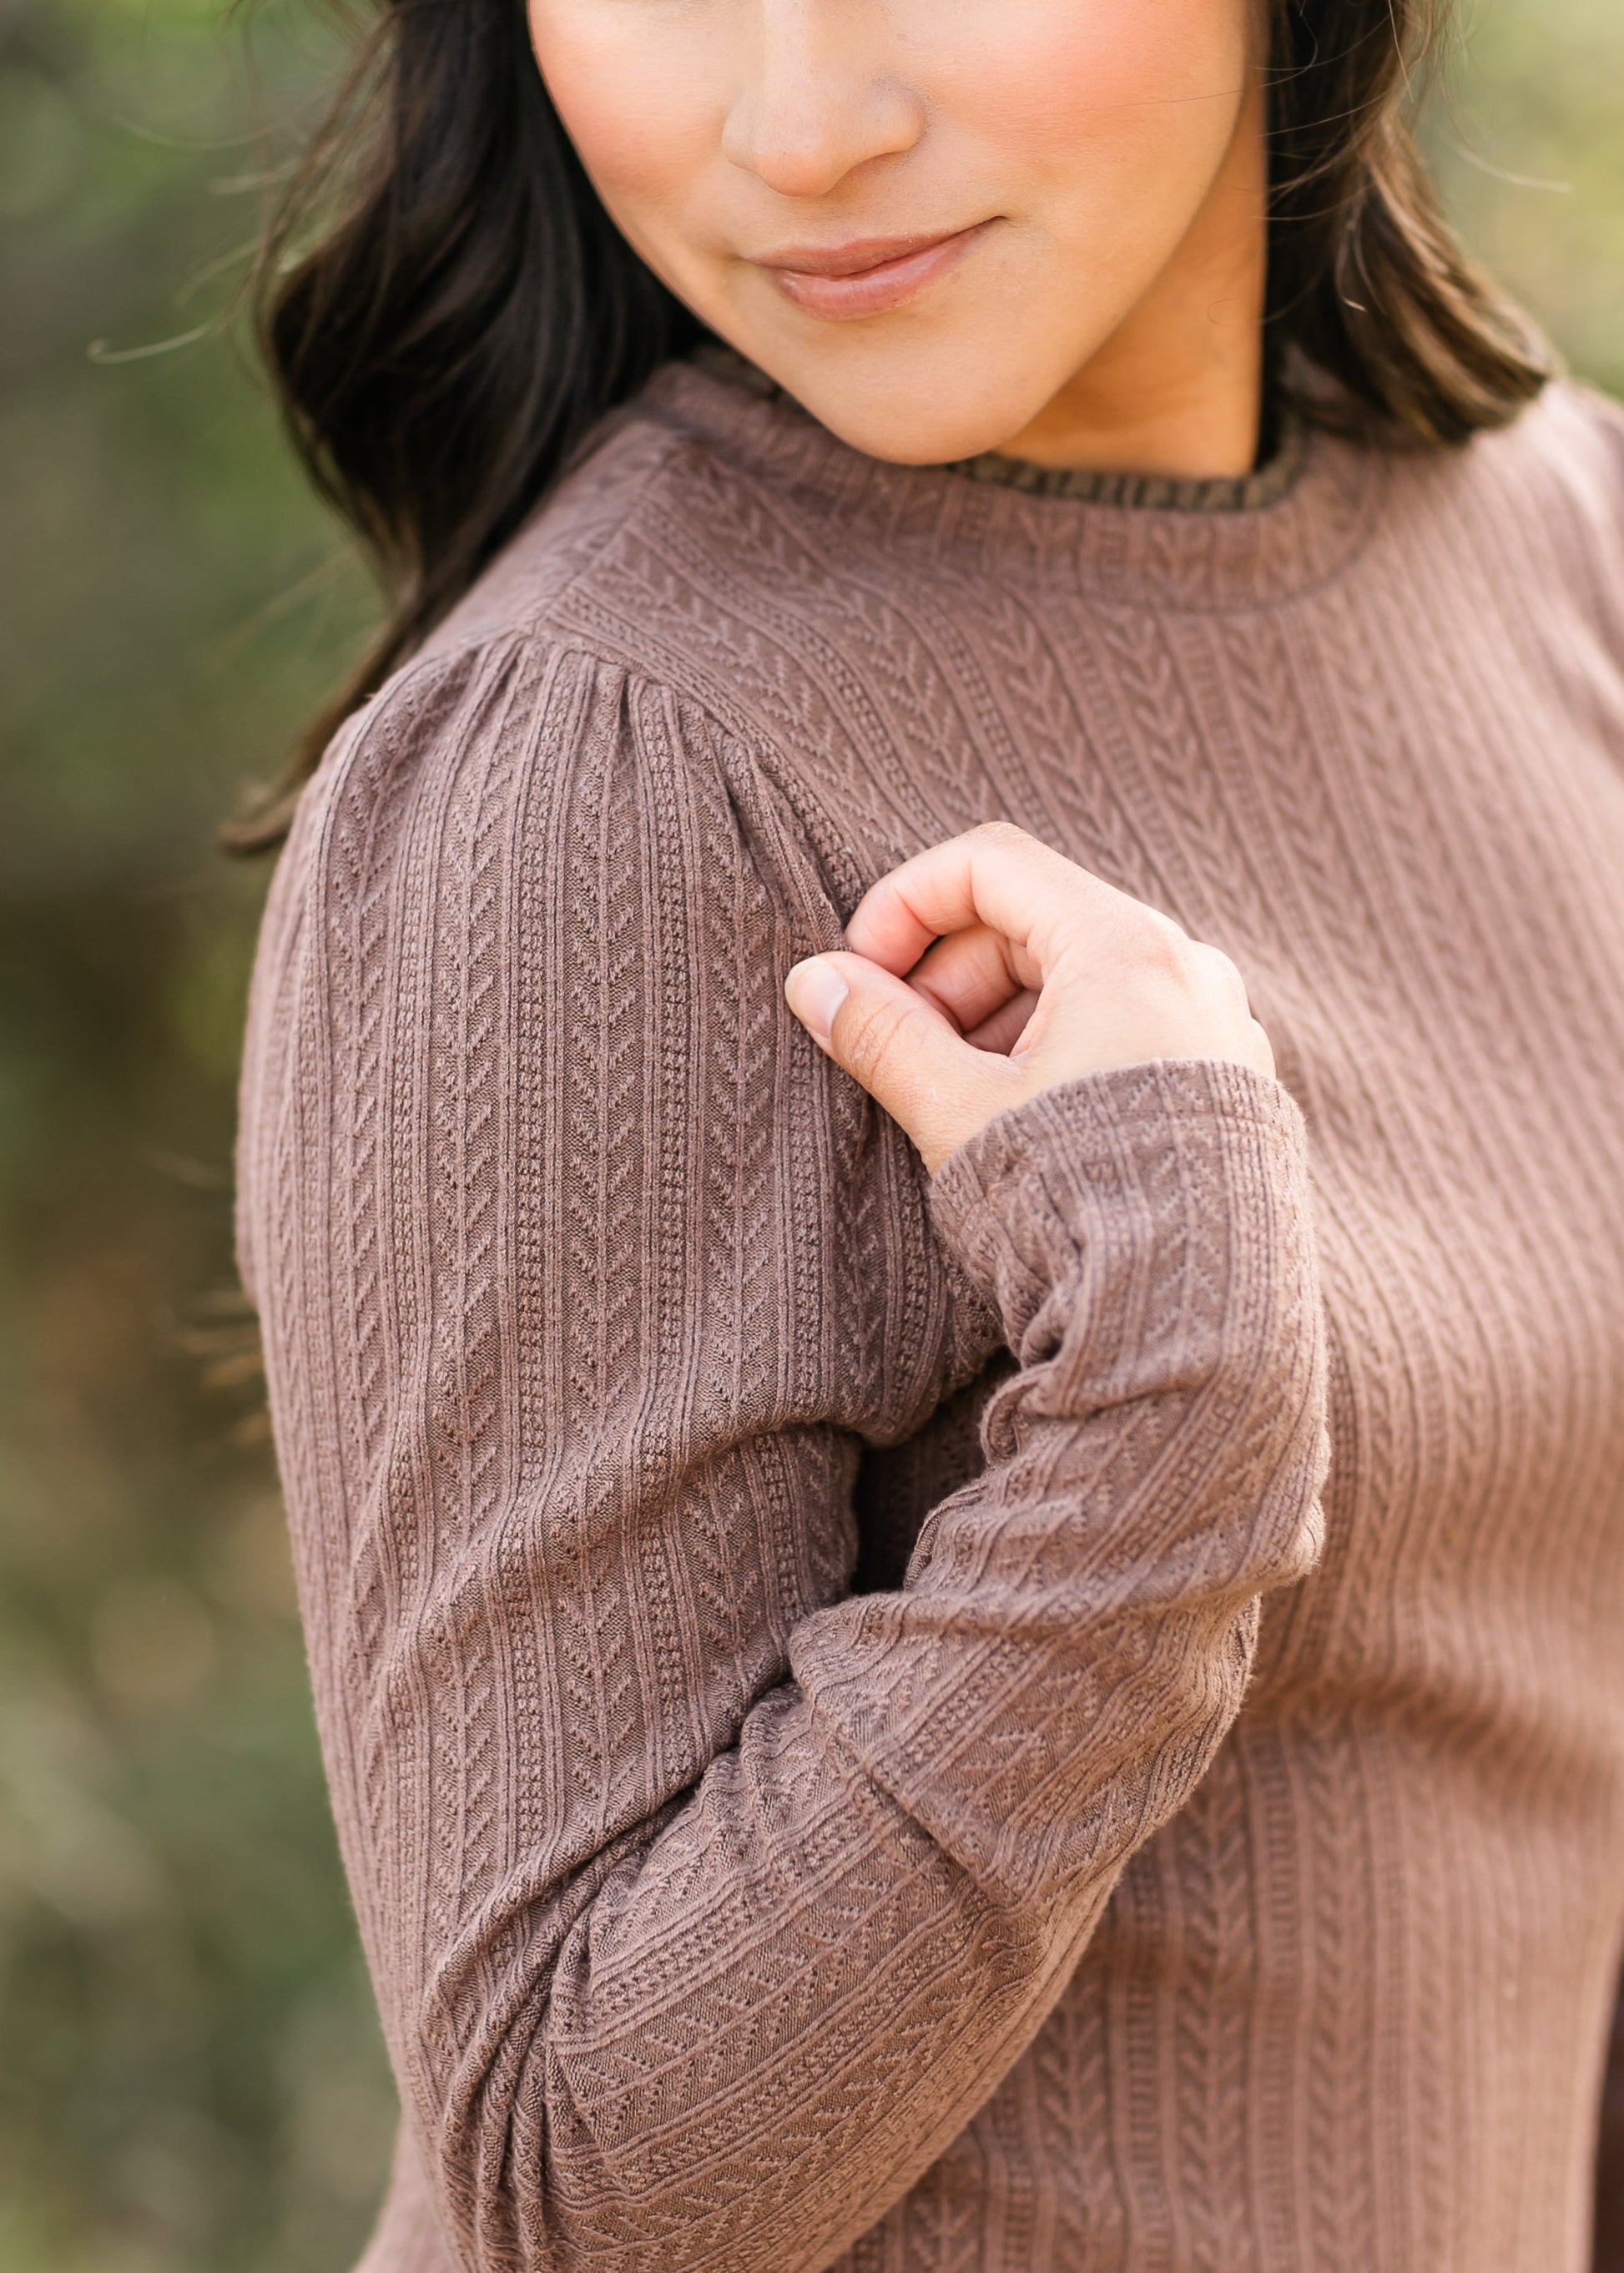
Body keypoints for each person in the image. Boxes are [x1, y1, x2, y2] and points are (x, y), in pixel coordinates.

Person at [230, 0, 1624, 2265]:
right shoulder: (591, 767)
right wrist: (1160, 1404)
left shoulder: (1568, 555)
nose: (801, 124)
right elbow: (565, 2188)